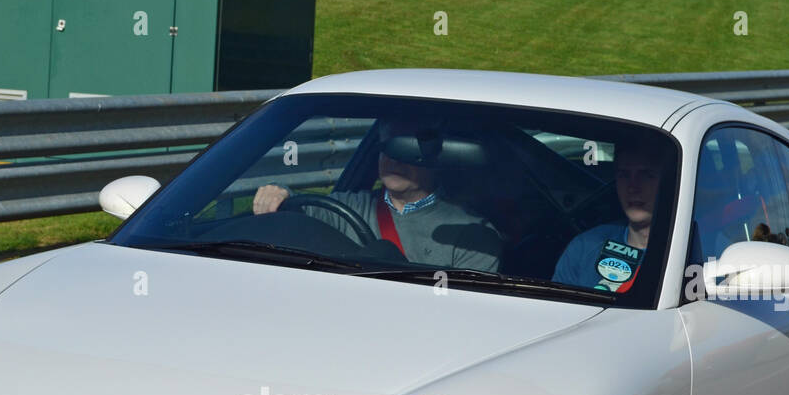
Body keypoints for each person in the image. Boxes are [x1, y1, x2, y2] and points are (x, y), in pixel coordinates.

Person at [251, 120, 502, 273]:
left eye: (404, 149)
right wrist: (278, 192)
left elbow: (464, 314)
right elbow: (301, 209)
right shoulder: (351, 207)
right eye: (386, 147)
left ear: (433, 158)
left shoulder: (473, 235)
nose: (392, 158)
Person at [551, 143, 662, 293]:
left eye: (646, 175)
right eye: (624, 175)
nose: (633, 187)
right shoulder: (585, 246)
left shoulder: (690, 250)